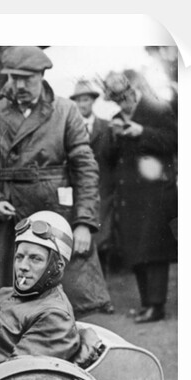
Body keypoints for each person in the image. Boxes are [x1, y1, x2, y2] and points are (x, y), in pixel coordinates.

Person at [0, 46, 113, 317]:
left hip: (57, 217)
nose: (19, 85)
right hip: (8, 222)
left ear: (42, 76)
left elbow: (85, 169)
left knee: (66, 308)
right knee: (1, 309)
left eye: (27, 78)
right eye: (14, 77)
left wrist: (84, 223)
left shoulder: (65, 110)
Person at [0, 211, 82, 380]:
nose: (23, 266)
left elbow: (11, 375)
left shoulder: (54, 315)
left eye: (35, 259)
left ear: (56, 266)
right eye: (19, 257)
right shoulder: (5, 293)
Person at [103, 72, 178, 323]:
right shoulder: (116, 118)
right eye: (116, 100)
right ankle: (146, 303)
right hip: (130, 196)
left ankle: (156, 306)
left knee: (153, 250)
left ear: (132, 92)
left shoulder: (157, 109)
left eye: (123, 98)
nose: (122, 104)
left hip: (155, 193)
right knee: (136, 249)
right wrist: (114, 137)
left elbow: (174, 141)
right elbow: (110, 158)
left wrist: (142, 132)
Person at [70, 78, 118, 275]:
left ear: (93, 101)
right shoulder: (69, 129)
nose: (82, 104)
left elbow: (114, 159)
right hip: (78, 193)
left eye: (86, 99)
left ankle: (102, 280)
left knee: (102, 240)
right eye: (78, 100)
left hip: (103, 193)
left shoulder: (107, 127)